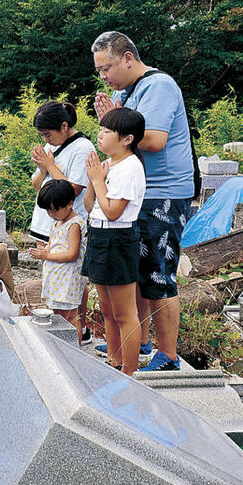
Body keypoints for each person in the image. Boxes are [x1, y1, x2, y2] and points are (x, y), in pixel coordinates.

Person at [92, 31, 195, 372]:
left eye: (107, 67)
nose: (104, 76)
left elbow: (152, 139)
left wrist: (116, 122)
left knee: (159, 274)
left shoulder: (158, 86)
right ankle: (141, 338)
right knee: (136, 271)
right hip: (139, 193)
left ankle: (168, 355)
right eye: (100, 71)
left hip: (164, 192)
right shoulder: (124, 92)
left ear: (128, 58)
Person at [82, 108, 147, 375]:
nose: (101, 134)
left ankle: (129, 371)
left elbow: (113, 211)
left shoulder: (130, 167)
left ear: (127, 139)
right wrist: (93, 179)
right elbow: (90, 206)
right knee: (107, 309)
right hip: (99, 234)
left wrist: (99, 179)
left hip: (117, 237)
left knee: (124, 313)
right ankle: (113, 360)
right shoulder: (110, 165)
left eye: (107, 131)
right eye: (101, 129)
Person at [29, 100, 96, 341]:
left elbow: (74, 188)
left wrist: (50, 165)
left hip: (69, 220)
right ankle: (58, 328)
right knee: (55, 280)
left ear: (64, 126)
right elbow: (38, 186)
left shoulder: (82, 147)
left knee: (73, 280)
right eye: (42, 135)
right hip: (49, 222)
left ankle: (79, 327)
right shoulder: (54, 148)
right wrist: (43, 168)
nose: (46, 139)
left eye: (48, 134)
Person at [28, 180, 87, 333]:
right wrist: (43, 251)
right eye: (48, 211)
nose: (51, 214)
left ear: (70, 204)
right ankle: (62, 346)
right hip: (57, 278)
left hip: (68, 279)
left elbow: (72, 254)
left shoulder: (74, 224)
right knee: (57, 315)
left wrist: (47, 255)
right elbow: (54, 244)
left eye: (54, 210)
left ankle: (74, 349)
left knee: (70, 316)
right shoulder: (57, 222)